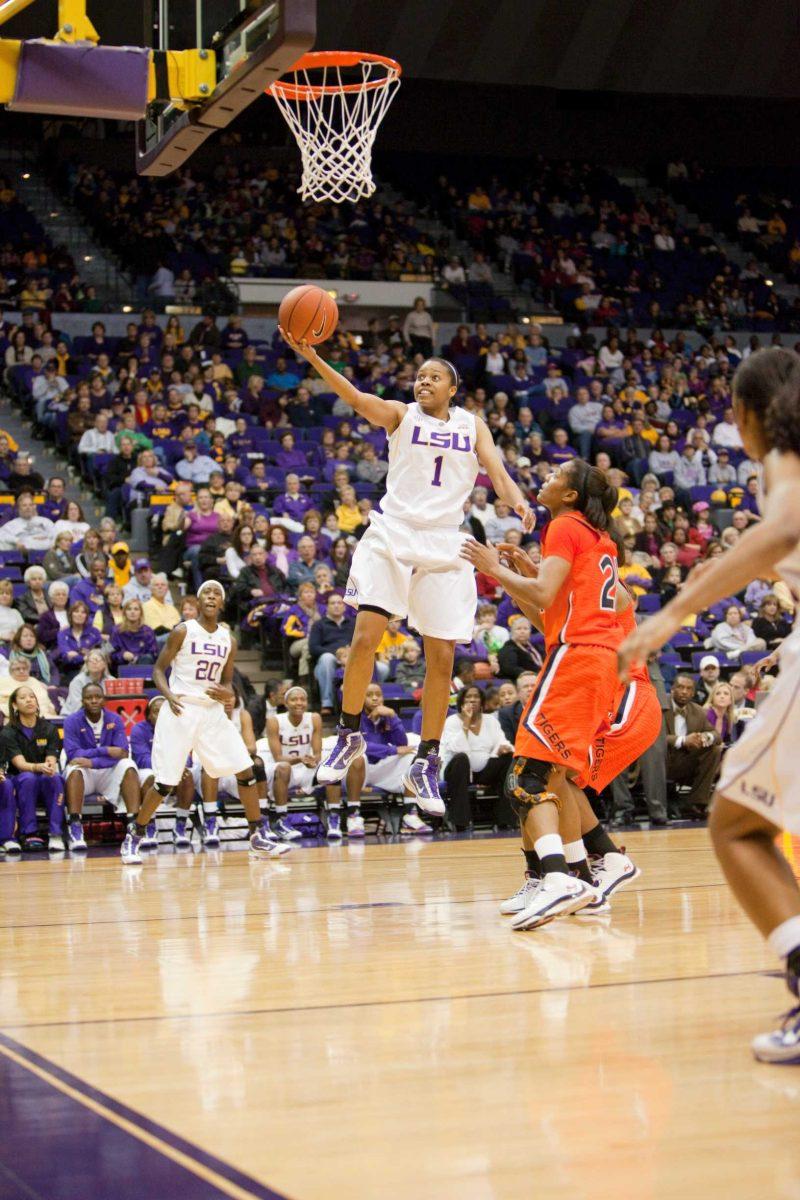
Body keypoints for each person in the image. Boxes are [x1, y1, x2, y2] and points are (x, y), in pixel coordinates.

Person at [619, 347, 800, 1062]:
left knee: (736, 827)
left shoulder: (783, 459)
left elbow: (783, 531)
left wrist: (674, 613)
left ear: (745, 416)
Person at [280, 330, 532, 813]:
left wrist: (518, 502)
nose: (423, 382)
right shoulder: (400, 414)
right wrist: (312, 355)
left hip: (445, 540)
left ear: (452, 388)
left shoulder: (472, 426)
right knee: (363, 639)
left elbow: (497, 473)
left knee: (441, 662)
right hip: (393, 533)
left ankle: (426, 763)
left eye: (433, 377)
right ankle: (348, 733)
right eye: (419, 376)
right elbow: (353, 397)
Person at [461, 458, 624, 929]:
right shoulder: (598, 537)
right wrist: (528, 574)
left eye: (556, 476)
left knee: (526, 778)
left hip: (578, 659)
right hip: (595, 661)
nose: (546, 478)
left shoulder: (565, 526)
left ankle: (558, 878)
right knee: (548, 777)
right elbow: (555, 606)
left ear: (571, 494)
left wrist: (493, 569)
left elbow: (547, 596)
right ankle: (581, 877)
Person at [119, 580, 290, 864]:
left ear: (221, 604)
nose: (212, 597)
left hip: (211, 712)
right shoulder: (182, 630)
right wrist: (169, 695)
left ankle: (257, 835)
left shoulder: (228, 640)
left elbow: (226, 682)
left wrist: (227, 692)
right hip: (181, 709)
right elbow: (158, 670)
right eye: (206, 593)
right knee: (166, 782)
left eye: (217, 594)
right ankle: (134, 834)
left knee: (246, 770)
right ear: (198, 602)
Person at [62, 683, 141, 852]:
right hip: (86, 774)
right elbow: (74, 754)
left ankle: (134, 825)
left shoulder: (114, 719)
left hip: (107, 773)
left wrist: (93, 760)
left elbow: (122, 753)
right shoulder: (71, 721)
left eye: (97, 697)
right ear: (82, 701)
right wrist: (105, 751)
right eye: (89, 698)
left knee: (129, 765)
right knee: (74, 770)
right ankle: (75, 826)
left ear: (104, 700)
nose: (94, 701)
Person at [440, 686, 515, 830]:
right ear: (461, 701)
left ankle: (505, 820)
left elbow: (502, 740)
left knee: (508, 757)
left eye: (476, 696)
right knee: (461, 759)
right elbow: (456, 748)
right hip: (458, 772)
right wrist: (466, 723)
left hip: (484, 770)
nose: (472, 700)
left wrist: (503, 748)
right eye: (468, 697)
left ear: (482, 701)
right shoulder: (452, 721)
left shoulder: (491, 720)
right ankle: (461, 822)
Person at [358, 683, 429, 834]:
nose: (375, 698)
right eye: (369, 695)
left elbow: (402, 743)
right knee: (359, 758)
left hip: (382, 768)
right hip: (360, 770)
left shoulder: (386, 716)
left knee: (412, 758)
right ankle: (353, 815)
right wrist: (392, 750)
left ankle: (410, 813)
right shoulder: (354, 717)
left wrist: (393, 716)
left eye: (378, 694)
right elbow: (363, 747)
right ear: (360, 698)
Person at [1, 684, 64, 852]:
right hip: (20, 777)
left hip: (43, 775)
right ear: (14, 705)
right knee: (28, 777)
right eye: (23, 697)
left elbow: (51, 758)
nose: (29, 700)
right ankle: (29, 833)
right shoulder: (8, 732)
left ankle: (56, 834)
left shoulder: (49, 728)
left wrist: (49, 766)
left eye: (32, 696)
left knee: (55, 777)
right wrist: (40, 767)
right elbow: (20, 764)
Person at [130, 696, 197, 850]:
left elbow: (187, 757)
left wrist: (176, 768)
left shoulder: (178, 728)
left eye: (164, 712)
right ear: (148, 715)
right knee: (151, 778)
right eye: (156, 712)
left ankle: (180, 826)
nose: (160, 715)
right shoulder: (139, 730)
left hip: (172, 771)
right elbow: (142, 759)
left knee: (187, 775)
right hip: (148, 772)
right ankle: (149, 825)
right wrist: (169, 767)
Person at [308, 593, 356, 716]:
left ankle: (364, 701)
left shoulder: (352, 623)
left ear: (344, 607)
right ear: (327, 607)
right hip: (328, 662)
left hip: (351, 659)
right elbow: (313, 648)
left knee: (382, 668)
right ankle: (327, 703)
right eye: (332, 603)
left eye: (339, 603)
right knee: (327, 659)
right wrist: (337, 655)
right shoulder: (319, 624)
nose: (336, 606)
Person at [110, 598, 158, 669]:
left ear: (141, 613)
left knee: (147, 659)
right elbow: (111, 653)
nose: (132, 612)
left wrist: (137, 657)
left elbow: (153, 652)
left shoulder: (148, 631)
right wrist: (122, 655)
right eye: (129, 609)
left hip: (144, 665)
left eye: (136, 609)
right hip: (122, 667)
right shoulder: (116, 630)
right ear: (124, 612)